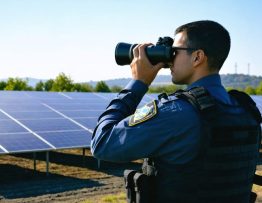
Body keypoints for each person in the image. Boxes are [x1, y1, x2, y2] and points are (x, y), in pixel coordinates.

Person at [91, 20, 261, 202]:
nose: (169, 58)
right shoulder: (247, 111)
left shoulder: (177, 112)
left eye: (175, 51)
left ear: (197, 57)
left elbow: (102, 143)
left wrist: (138, 83)